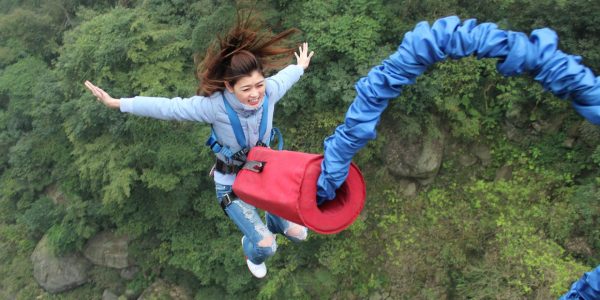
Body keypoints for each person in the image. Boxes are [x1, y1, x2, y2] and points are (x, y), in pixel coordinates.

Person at [84, 13, 314, 279]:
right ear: (229, 86)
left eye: (259, 85)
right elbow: (168, 107)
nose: (255, 94)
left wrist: (300, 67)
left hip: (263, 176)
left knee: (300, 233)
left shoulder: (269, 92)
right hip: (231, 184)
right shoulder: (214, 107)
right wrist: (119, 103)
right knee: (266, 246)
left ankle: (275, 221)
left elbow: (285, 78)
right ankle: (250, 248)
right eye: (246, 88)